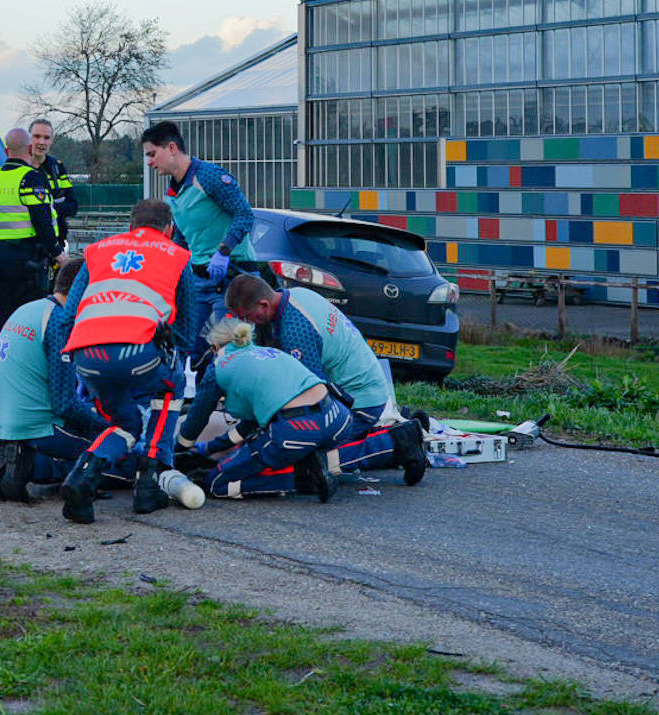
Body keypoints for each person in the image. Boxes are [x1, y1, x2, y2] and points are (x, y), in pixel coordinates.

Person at [55, 199, 200, 523]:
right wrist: (175, 361)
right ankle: (149, 482)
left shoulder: (97, 251)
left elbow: (69, 315)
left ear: (130, 226)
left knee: (125, 424)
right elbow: (187, 327)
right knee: (171, 387)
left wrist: (74, 359)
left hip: (88, 355)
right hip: (138, 352)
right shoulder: (177, 255)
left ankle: (83, 478)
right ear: (169, 229)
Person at [232, 272, 428, 484]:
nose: (246, 323)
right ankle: (388, 427)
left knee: (313, 461)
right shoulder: (296, 295)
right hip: (362, 388)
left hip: (360, 401)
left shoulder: (295, 331)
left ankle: (398, 441)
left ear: (263, 304)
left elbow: (309, 396)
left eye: (246, 316)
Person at [178, 306, 359, 501]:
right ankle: (307, 460)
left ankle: (305, 479)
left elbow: (198, 416)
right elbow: (249, 425)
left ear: (215, 348)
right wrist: (210, 447)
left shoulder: (219, 367)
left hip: (298, 427)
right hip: (337, 417)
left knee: (216, 483)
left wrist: (181, 446)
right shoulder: (268, 353)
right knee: (277, 441)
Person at [0, 257, 101, 502]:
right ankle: (36, 466)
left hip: (1, 425)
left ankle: (15, 462)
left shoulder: (30, 310)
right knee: (112, 454)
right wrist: (104, 425)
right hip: (38, 427)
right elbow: (64, 403)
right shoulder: (60, 322)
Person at [141, 119, 256, 339]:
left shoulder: (209, 176)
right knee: (191, 346)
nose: (149, 162)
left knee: (229, 345)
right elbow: (183, 239)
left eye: (152, 154)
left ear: (172, 148)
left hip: (233, 276)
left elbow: (244, 215)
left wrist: (223, 251)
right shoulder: (173, 192)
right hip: (199, 281)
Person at [0, 128, 59, 327]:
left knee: (4, 318)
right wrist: (57, 253)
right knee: (29, 320)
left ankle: (4, 356)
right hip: (27, 259)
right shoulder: (31, 177)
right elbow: (42, 221)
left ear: (6, 151)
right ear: (30, 149)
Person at [27, 119, 78, 246]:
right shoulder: (18, 167)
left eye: (46, 138)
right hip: (26, 244)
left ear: (52, 141)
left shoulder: (57, 168)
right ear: (28, 138)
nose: (41, 142)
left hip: (56, 243)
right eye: (36, 136)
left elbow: (73, 206)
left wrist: (46, 209)